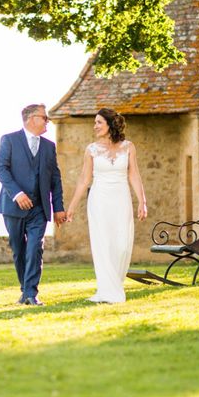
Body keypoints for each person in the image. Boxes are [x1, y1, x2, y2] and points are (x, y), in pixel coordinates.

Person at [65, 108, 147, 303]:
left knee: (122, 245)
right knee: (103, 243)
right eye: (95, 122)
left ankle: (115, 284)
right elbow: (84, 180)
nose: (95, 126)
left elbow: (134, 175)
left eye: (99, 122)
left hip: (121, 197)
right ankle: (107, 290)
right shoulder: (91, 150)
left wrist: (142, 201)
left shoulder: (128, 147)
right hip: (99, 199)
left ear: (110, 124)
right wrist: (72, 207)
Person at [0, 103, 66, 306]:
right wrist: (17, 194)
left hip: (39, 208)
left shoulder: (49, 146)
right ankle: (24, 290)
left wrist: (58, 207)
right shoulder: (9, 140)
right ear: (31, 119)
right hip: (13, 206)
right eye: (45, 118)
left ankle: (30, 293)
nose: (47, 121)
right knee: (19, 250)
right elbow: (1, 169)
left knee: (35, 248)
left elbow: (55, 179)